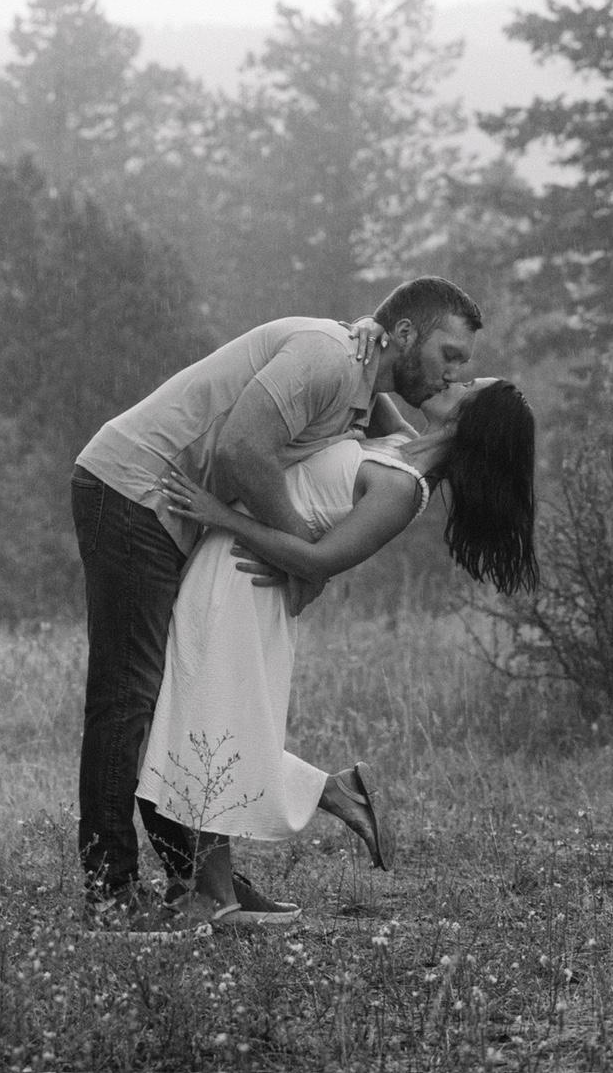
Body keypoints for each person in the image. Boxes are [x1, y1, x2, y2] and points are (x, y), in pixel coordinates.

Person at [71, 277, 483, 931]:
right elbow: (240, 452)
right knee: (128, 700)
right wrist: (305, 552)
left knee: (171, 701)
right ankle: (111, 894)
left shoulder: (360, 388)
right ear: (404, 335)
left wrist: (318, 558)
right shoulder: (327, 356)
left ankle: (206, 885)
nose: (453, 372)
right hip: (134, 493)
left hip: (173, 517)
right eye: (450, 355)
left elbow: (406, 451)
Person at [138, 375, 540, 927]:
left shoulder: (405, 489)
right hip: (225, 566)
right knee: (201, 722)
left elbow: (322, 561)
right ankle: (316, 801)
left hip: (241, 581)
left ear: (475, 420)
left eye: (468, 381)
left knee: (210, 726)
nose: (451, 377)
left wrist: (220, 513)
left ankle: (217, 896)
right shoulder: (398, 439)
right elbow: (363, 372)